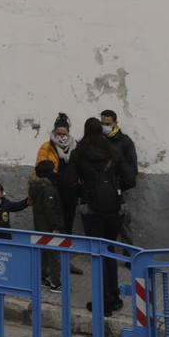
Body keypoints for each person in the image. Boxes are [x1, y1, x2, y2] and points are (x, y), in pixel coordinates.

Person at [75, 117, 126, 316]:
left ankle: (102, 302)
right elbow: (128, 177)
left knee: (97, 253)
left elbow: (71, 181)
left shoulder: (79, 152)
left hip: (92, 209)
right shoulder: (112, 151)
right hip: (113, 208)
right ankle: (114, 297)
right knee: (110, 250)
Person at [36, 114, 84, 275]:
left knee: (67, 229)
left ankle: (66, 262)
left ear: (68, 133)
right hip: (53, 195)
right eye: (59, 134)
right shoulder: (46, 147)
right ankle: (49, 266)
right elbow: (41, 169)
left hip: (70, 195)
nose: (61, 137)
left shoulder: (75, 147)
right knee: (52, 229)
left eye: (64, 134)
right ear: (54, 132)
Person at [99, 109, 139, 244]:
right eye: (102, 123)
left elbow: (132, 169)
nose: (105, 126)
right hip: (100, 190)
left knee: (123, 226)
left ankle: (130, 258)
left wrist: (119, 187)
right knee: (103, 228)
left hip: (118, 191)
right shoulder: (98, 139)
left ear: (115, 123)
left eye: (108, 123)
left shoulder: (125, 142)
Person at [29, 160, 66, 291]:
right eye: (53, 169)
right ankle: (55, 284)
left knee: (44, 253)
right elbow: (49, 209)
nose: (55, 172)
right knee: (54, 256)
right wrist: (56, 226)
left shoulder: (35, 187)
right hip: (49, 228)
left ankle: (41, 277)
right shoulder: (48, 189)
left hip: (40, 227)